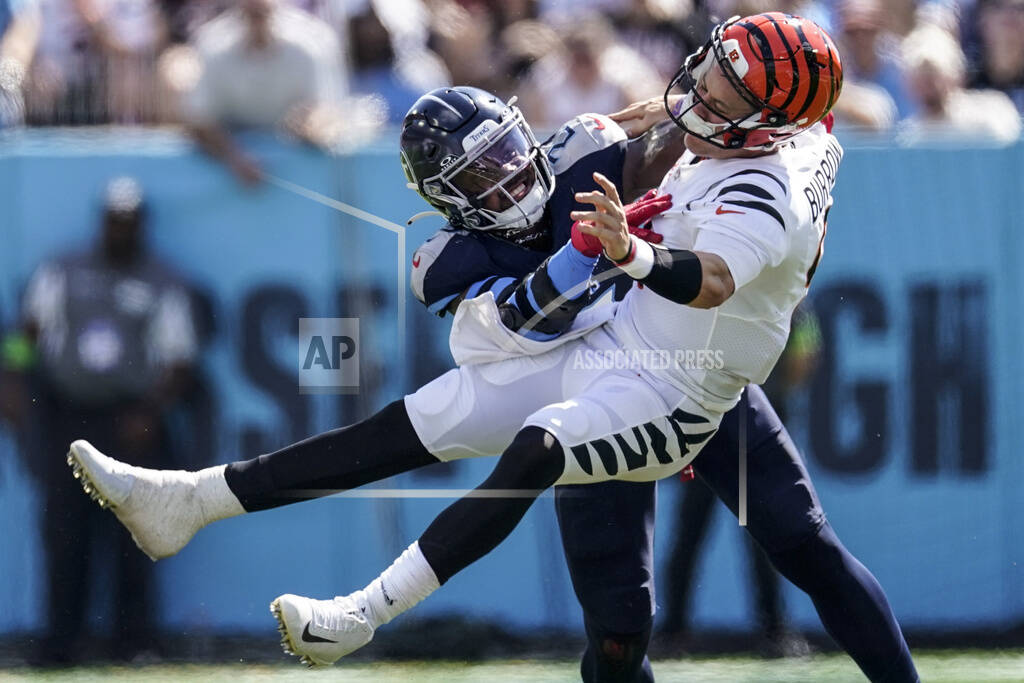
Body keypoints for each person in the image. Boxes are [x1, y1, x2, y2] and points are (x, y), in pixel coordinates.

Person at [67, 14, 917, 682]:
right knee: (619, 630)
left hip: (693, 378)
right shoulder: (452, 261)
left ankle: (358, 603)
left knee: (804, 545)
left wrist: (624, 233)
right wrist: (590, 243)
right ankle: (192, 499)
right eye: (482, 178)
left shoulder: (695, 168)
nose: (511, 181)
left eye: (514, 157)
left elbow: (708, 206)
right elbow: (520, 325)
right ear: (445, 201)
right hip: (588, 369)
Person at [8, 177, 198, 664]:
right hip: (68, 417)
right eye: (114, 222)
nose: (121, 231)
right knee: (64, 531)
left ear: (142, 226)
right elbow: (25, 333)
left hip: (131, 423)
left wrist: (151, 410)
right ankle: (60, 643)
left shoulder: (161, 280)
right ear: (101, 223)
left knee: (135, 532)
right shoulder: (63, 270)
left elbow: (178, 360)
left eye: (129, 223)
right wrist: (11, 378)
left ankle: (133, 642)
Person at [181, 0, 348, 185]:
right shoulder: (212, 45)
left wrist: (312, 128)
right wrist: (234, 158)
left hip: (301, 162)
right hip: (233, 160)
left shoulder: (312, 42)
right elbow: (199, 120)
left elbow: (327, 114)